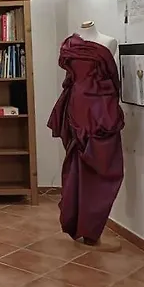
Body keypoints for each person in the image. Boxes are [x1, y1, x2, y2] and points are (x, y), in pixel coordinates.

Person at [48, 22, 124, 249]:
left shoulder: (70, 45)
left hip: (78, 106)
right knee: (105, 169)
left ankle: (79, 224)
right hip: (99, 110)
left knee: (80, 166)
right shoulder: (107, 43)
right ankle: (90, 231)